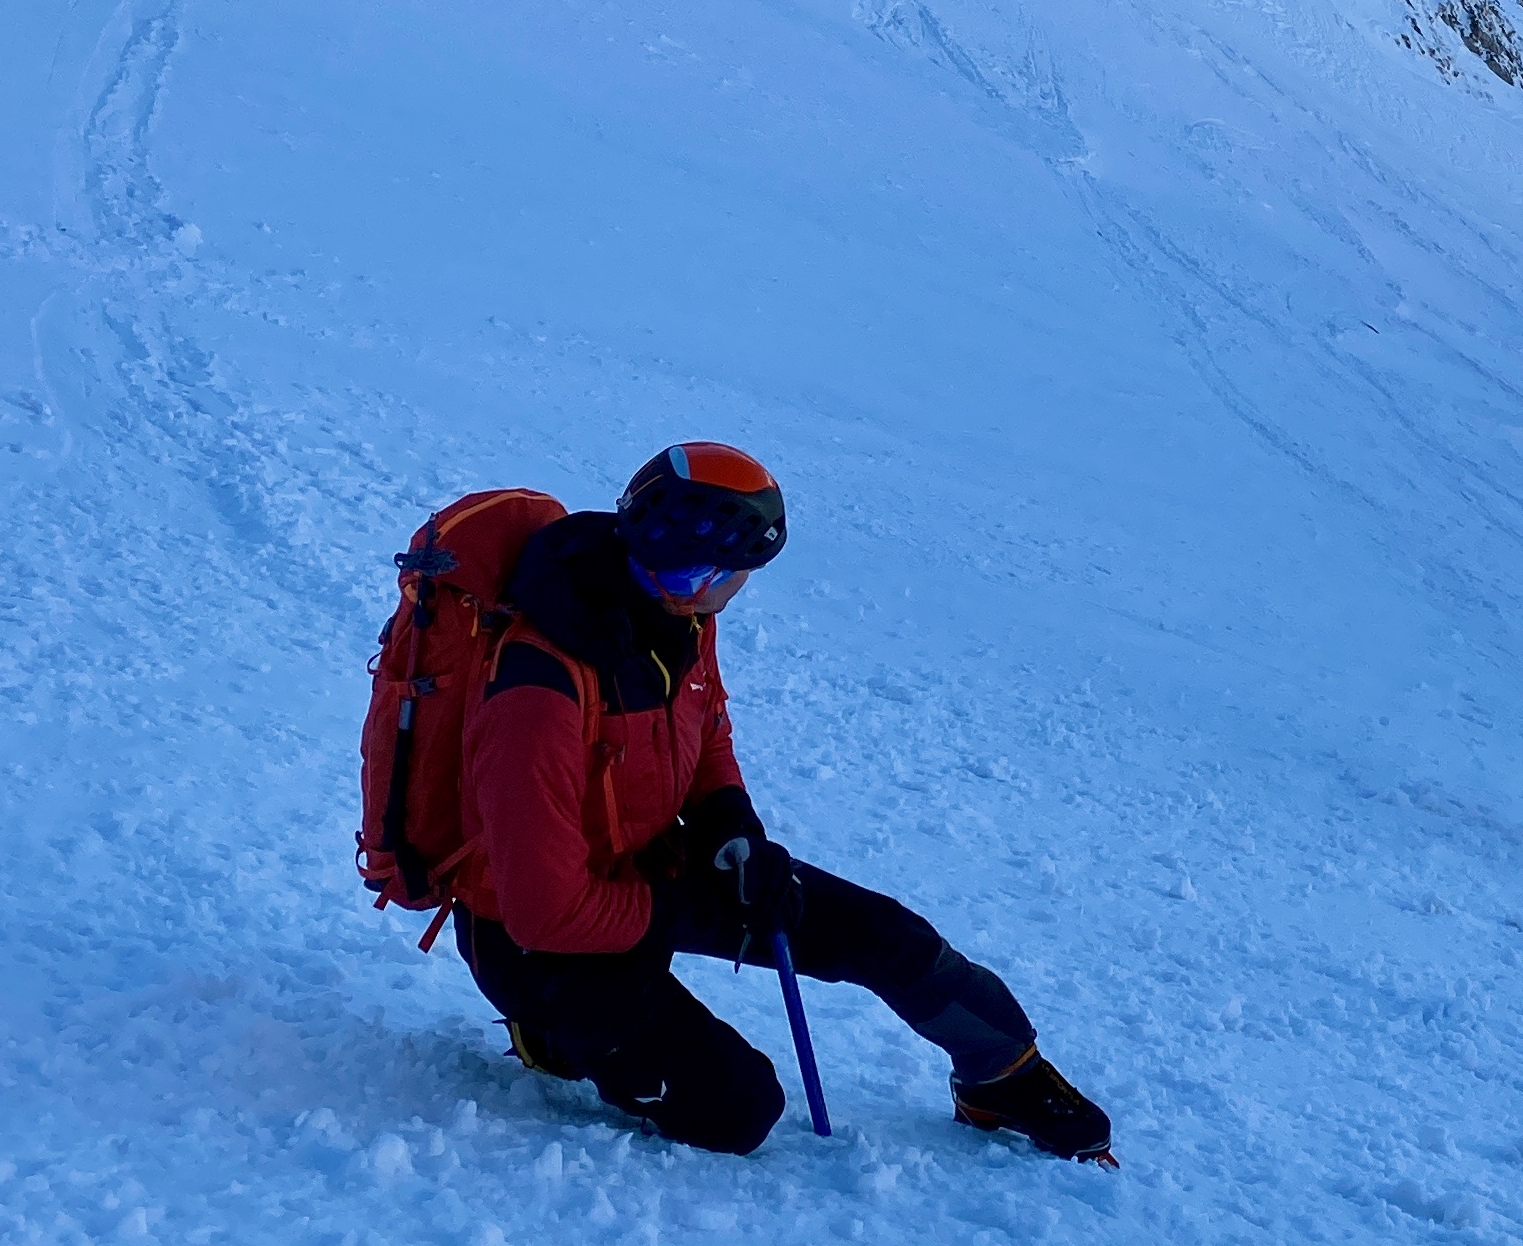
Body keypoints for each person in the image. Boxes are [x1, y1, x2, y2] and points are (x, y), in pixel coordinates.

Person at [456, 442, 1110, 1160]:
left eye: (709, 574)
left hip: (640, 868)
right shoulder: (536, 691)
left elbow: (705, 730)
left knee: (884, 935)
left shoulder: (674, 615)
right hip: (536, 940)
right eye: (686, 571)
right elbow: (545, 910)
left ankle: (1003, 1075)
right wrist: (678, 910)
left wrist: (728, 827)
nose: (703, 588)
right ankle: (549, 1033)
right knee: (736, 1109)